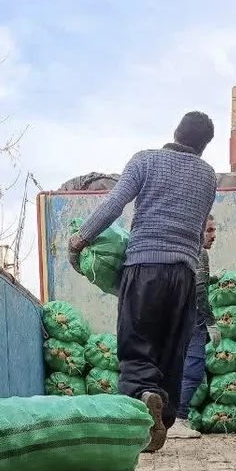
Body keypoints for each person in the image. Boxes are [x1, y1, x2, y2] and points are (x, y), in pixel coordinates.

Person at [68, 112, 217, 453]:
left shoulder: (145, 160)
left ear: (176, 131)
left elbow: (114, 204)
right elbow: (197, 233)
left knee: (137, 346)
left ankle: (142, 397)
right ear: (204, 146)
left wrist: (80, 238)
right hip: (183, 274)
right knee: (171, 350)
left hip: (144, 267)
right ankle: (160, 419)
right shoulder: (207, 176)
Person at [167, 215, 220, 439]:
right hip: (193, 318)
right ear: (198, 231)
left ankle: (171, 419)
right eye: (209, 230)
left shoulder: (183, 252)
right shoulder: (200, 252)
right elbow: (199, 290)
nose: (213, 235)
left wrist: (213, 278)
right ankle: (179, 419)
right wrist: (210, 323)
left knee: (178, 368)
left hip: (177, 317)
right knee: (194, 369)